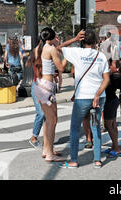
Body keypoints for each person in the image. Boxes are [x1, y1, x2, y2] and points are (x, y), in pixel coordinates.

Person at [58, 30, 110, 169]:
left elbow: (58, 47)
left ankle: (74, 160)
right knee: (96, 128)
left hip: (82, 98)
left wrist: (74, 38)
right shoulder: (101, 56)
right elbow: (106, 79)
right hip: (98, 98)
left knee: (75, 129)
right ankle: (97, 160)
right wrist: (98, 94)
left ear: (82, 41)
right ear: (96, 42)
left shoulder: (77, 53)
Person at [31, 28, 66, 163]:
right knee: (52, 121)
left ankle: (47, 149)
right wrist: (66, 58)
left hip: (39, 84)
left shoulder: (37, 49)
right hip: (47, 86)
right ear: (51, 38)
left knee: (48, 119)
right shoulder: (50, 49)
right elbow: (61, 68)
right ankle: (50, 153)